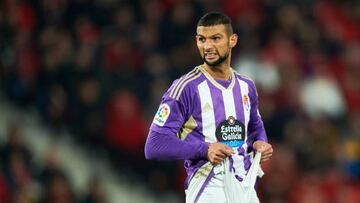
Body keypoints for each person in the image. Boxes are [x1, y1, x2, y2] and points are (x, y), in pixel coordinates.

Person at [144, 12, 273, 203]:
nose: (208, 46)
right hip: (208, 185)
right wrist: (205, 149)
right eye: (202, 40)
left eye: (215, 38)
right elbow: (154, 145)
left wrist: (260, 142)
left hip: (245, 186)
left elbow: (255, 126)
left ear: (232, 40)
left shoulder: (246, 86)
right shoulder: (186, 87)